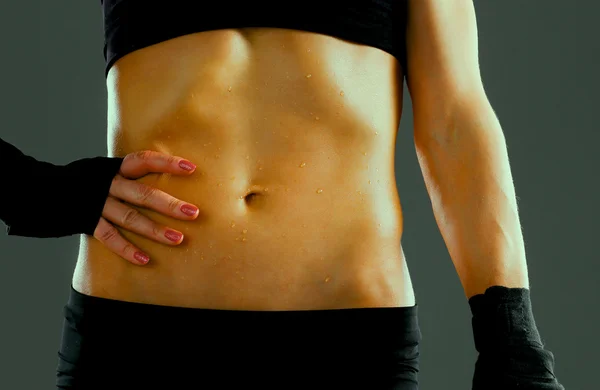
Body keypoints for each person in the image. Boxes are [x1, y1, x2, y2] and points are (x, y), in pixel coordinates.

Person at [0, 0, 564, 389]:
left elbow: (454, 120)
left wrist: (510, 337)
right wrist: (32, 191)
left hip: (346, 345)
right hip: (135, 335)